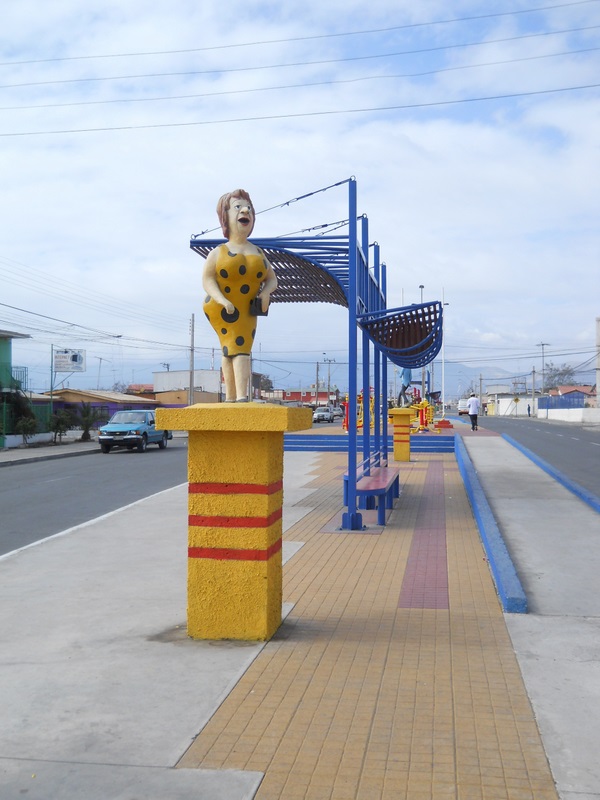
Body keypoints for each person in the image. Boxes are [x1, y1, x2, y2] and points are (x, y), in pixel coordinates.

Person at [202, 190, 277, 402]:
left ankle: (232, 397)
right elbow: (207, 280)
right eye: (238, 207)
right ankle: (241, 397)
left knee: (231, 350)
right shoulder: (218, 252)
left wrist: (265, 293)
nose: (245, 211)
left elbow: (272, 279)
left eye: (249, 208)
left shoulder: (258, 252)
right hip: (221, 308)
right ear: (225, 216)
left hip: (247, 308)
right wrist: (222, 300)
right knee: (238, 348)